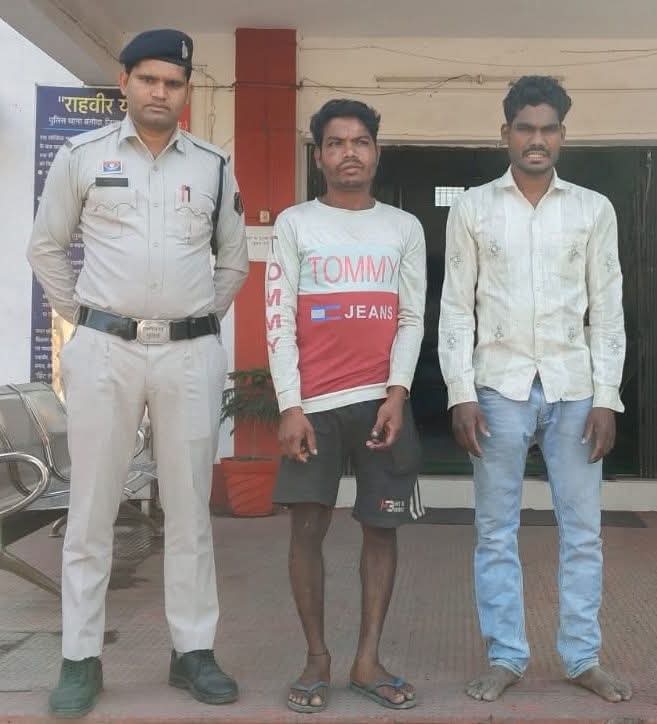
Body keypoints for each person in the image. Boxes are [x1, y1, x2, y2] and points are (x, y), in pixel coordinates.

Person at [27, 28, 248, 718]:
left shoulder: (213, 166)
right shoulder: (81, 156)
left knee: (189, 509)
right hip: (105, 352)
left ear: (187, 90)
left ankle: (193, 651)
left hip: (188, 355)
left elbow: (233, 261)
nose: (160, 92)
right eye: (148, 79)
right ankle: (80, 659)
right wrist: (91, 318)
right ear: (124, 82)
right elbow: (46, 247)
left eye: (173, 83)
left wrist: (191, 320)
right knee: (92, 507)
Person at [438, 75, 631, 703]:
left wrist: (607, 397)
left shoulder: (593, 209)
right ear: (506, 134)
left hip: (575, 388)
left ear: (563, 136)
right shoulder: (474, 209)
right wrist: (460, 391)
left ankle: (582, 657)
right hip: (499, 388)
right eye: (525, 128)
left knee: (584, 531)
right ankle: (506, 656)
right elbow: (456, 309)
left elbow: (607, 310)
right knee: (496, 530)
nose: (537, 140)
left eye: (548, 129)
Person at [266, 98, 426, 713]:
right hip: (314, 407)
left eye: (360, 141)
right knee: (306, 529)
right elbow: (278, 319)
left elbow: (410, 318)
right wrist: (290, 405)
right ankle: (316, 659)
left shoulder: (403, 228)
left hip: (381, 404)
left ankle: (367, 659)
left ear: (377, 152)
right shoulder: (294, 224)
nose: (349, 153)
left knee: (381, 529)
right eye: (336, 143)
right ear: (319, 156)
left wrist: (397, 392)